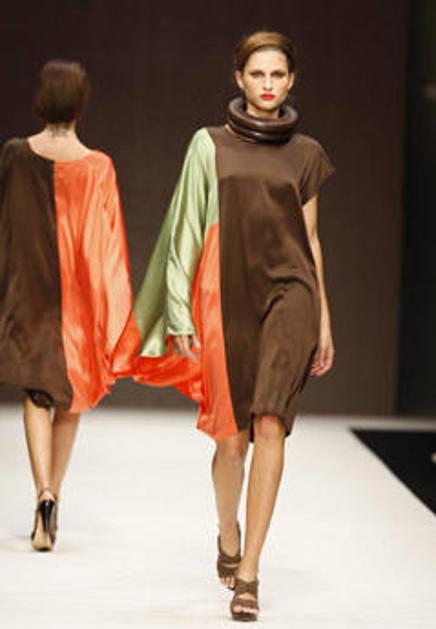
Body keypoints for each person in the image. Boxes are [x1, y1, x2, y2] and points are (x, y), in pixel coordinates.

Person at [133, 31, 334, 621]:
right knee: (231, 441)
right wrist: (178, 310)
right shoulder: (209, 144)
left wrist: (324, 318)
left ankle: (249, 573)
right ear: (239, 79)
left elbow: (311, 240)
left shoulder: (307, 153)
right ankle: (228, 531)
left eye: (278, 75)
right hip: (226, 297)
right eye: (257, 74)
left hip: (291, 294)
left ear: (291, 81)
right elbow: (185, 228)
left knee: (271, 423)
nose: (268, 84)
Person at [0, 60, 139, 551]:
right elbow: (109, 245)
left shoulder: (15, 154)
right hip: (78, 299)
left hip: (29, 291)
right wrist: (115, 315)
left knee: (37, 393)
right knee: (72, 399)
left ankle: (42, 491)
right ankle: (53, 494)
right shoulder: (98, 166)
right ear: (82, 103)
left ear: (41, 100)